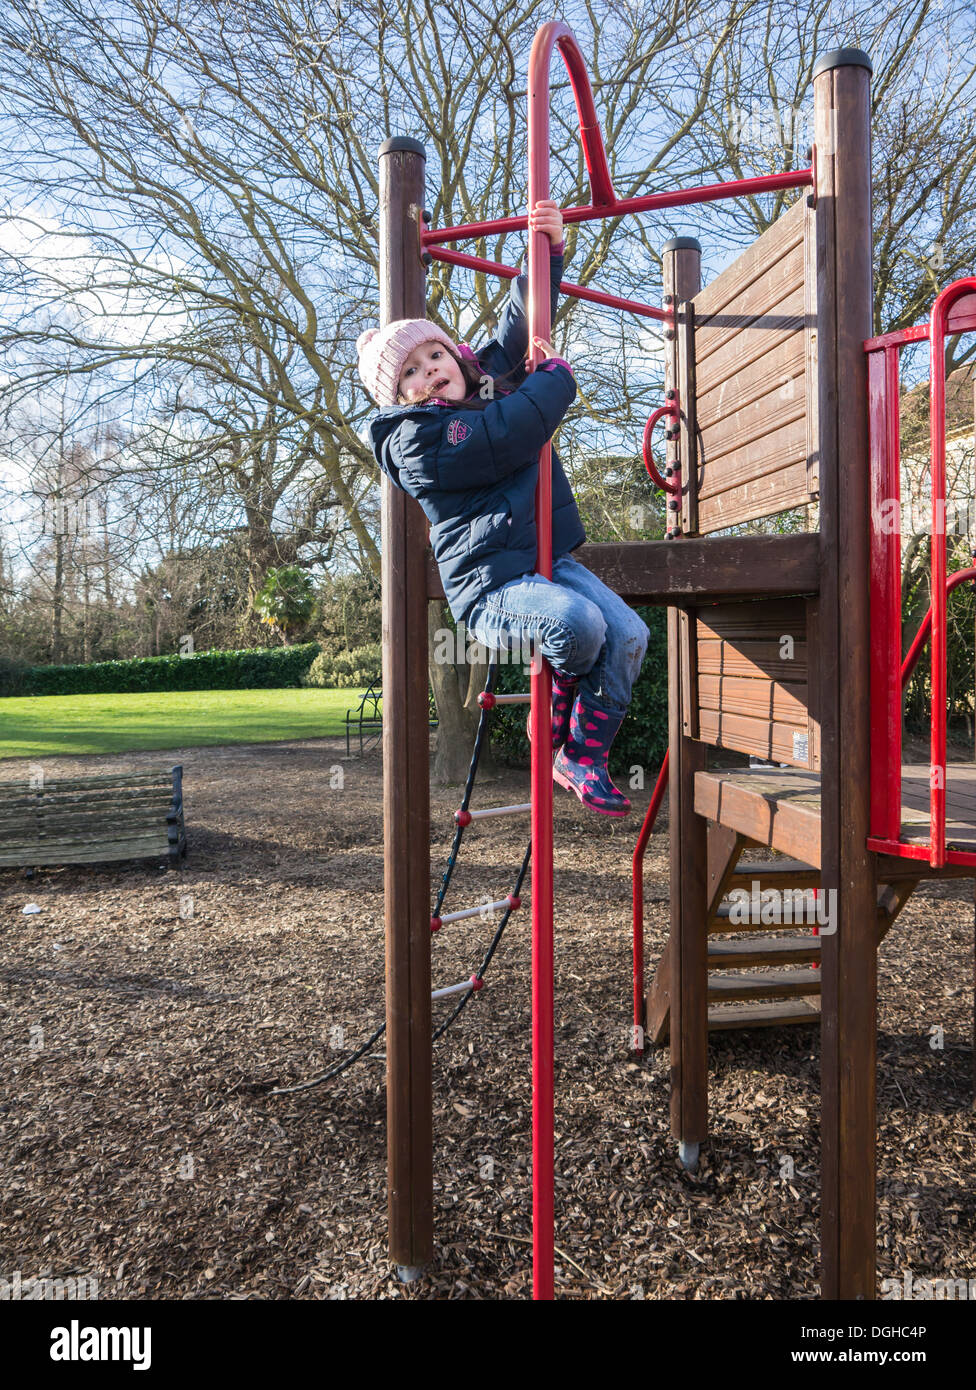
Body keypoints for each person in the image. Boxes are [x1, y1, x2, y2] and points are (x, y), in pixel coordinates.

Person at [358, 199, 649, 816]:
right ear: (399, 396)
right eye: (410, 372)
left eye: (433, 356)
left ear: (452, 356)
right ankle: (562, 702)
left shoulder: (485, 378)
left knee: (628, 634)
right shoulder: (418, 441)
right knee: (578, 626)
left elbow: (520, 326)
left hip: (545, 563)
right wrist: (557, 381)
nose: (429, 372)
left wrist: (543, 252)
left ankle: (581, 756)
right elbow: (507, 433)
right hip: (490, 585)